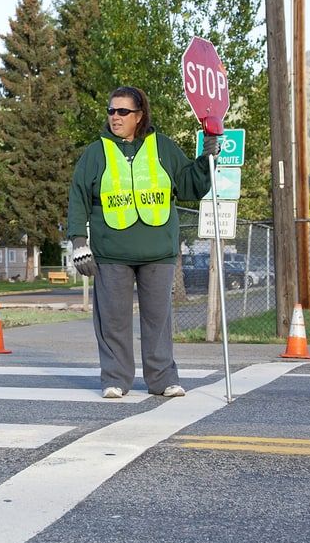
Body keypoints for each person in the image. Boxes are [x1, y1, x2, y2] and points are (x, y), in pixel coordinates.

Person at [67, 86, 219, 399]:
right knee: (113, 320)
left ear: (139, 115)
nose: (115, 117)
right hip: (111, 253)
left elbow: (189, 185)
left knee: (158, 320)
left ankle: (162, 379)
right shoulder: (96, 152)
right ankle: (115, 379)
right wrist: (79, 243)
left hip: (158, 252)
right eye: (111, 110)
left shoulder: (162, 146)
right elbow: (78, 197)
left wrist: (207, 158)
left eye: (123, 111)